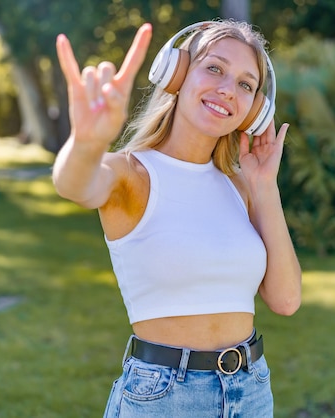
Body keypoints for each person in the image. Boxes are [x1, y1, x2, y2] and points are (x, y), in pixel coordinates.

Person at [53, 19, 302, 417]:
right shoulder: (131, 175)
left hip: (251, 389)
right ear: (177, 73)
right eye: (215, 68)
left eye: (246, 84)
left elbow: (287, 300)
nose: (227, 90)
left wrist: (264, 185)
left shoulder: (242, 187)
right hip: (166, 397)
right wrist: (86, 143)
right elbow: (75, 185)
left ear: (256, 108)